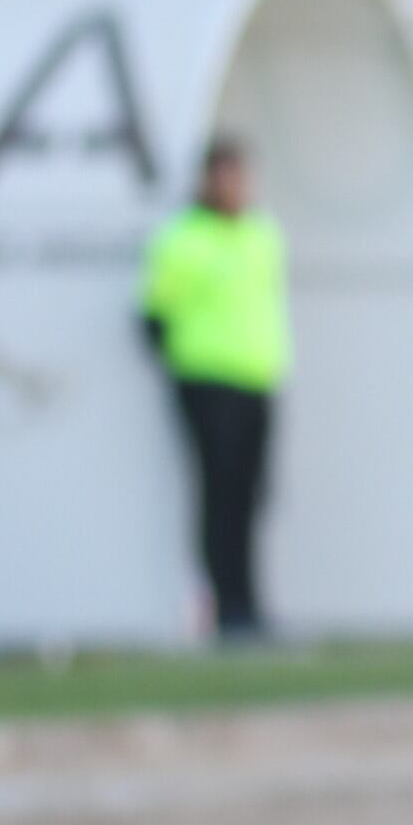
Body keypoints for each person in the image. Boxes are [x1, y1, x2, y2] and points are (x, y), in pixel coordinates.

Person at [141, 136, 289, 642]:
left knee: (251, 497)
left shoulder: (261, 233)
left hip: (256, 377)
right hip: (206, 379)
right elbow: (154, 314)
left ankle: (249, 603)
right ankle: (225, 607)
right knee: (219, 497)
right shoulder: (183, 238)